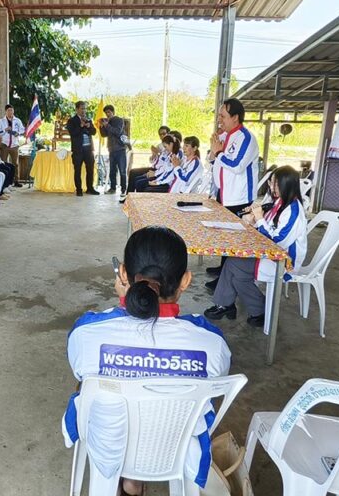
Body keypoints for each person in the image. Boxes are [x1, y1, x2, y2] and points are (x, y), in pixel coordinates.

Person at [63, 226, 231, 496]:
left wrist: (125, 303)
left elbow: (79, 367)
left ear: (124, 274)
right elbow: (218, 376)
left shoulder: (87, 332)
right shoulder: (211, 343)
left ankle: (127, 480)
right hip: (173, 445)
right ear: (185, 281)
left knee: (87, 385)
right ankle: (134, 482)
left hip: (109, 443)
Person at [204, 166, 308, 327]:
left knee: (235, 266)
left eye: (275, 184)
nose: (271, 187)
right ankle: (243, 307)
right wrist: (253, 219)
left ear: (287, 184)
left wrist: (259, 219)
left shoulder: (293, 210)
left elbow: (277, 242)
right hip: (269, 252)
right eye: (271, 182)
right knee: (235, 265)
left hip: (284, 261)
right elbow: (269, 228)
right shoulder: (279, 202)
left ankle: (245, 308)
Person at [213, 98, 258, 215]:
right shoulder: (226, 135)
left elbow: (237, 166)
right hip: (223, 194)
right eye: (219, 116)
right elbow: (216, 161)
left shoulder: (245, 137)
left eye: (222, 116)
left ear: (235, 117)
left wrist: (218, 153)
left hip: (238, 199)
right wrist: (214, 152)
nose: (219, 120)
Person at [65, 101, 98, 196]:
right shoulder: (72, 121)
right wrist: (81, 126)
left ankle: (90, 188)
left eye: (85, 109)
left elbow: (94, 132)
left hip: (88, 149)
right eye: (82, 108)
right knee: (78, 170)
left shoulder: (88, 119)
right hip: (78, 150)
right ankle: (79, 189)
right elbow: (73, 133)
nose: (84, 111)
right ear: (77, 109)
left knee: (90, 170)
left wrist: (89, 126)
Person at [97, 104, 129, 197]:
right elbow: (104, 135)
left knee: (122, 170)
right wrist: (102, 126)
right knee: (112, 170)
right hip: (111, 149)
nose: (107, 114)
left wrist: (107, 125)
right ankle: (113, 188)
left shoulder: (119, 120)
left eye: (109, 112)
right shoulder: (108, 122)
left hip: (120, 149)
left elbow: (117, 132)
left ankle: (123, 189)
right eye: (106, 113)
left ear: (113, 112)